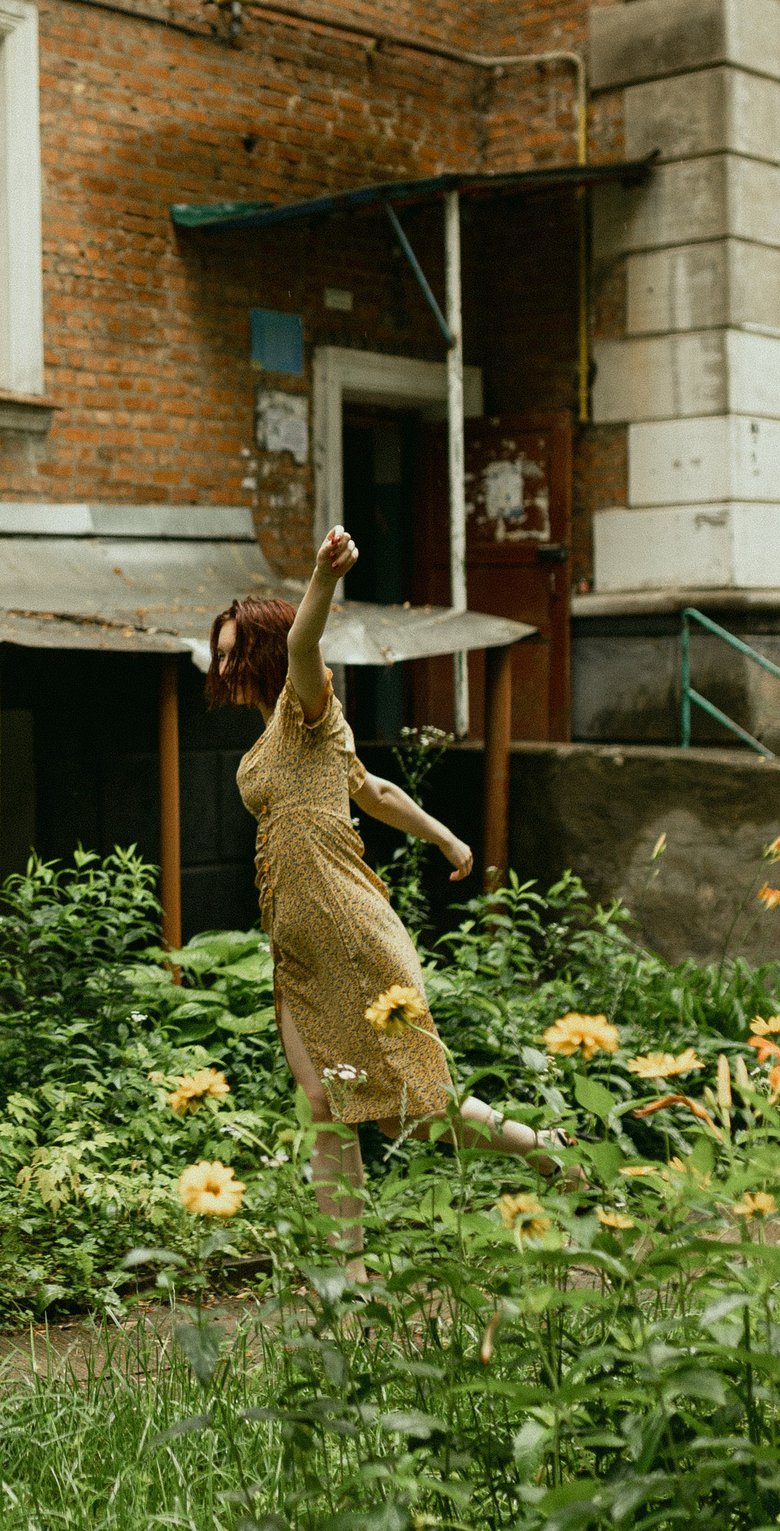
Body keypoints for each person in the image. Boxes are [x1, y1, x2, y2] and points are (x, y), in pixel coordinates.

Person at [211, 525, 566, 1275]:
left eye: (234, 650)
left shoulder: (306, 706)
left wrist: (323, 577)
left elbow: (305, 644)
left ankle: (543, 1149)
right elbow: (373, 791)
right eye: (219, 652)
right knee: (323, 1104)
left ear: (265, 653)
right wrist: (447, 838)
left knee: (417, 1107)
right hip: (298, 951)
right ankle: (348, 1272)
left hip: (352, 931)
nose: (222, 665)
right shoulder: (275, 743)